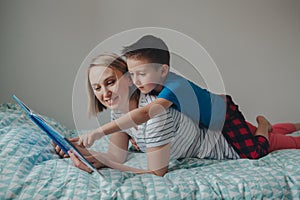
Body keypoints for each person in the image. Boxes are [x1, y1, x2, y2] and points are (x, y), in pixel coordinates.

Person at [78, 35, 272, 159]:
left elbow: (145, 113)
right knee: (251, 133)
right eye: (132, 74)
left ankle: (263, 126)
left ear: (163, 71)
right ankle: (271, 129)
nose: (135, 81)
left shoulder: (174, 88)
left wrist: (98, 132)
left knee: (253, 153)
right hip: (201, 120)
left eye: (141, 74)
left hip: (223, 114)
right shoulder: (148, 86)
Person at [57, 53, 240, 176]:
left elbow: (156, 172)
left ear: (129, 79)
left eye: (110, 82)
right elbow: (116, 156)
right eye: (97, 88)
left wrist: (105, 160)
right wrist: (79, 151)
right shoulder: (118, 114)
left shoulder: (156, 112)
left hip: (229, 148)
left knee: (267, 140)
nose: (104, 93)